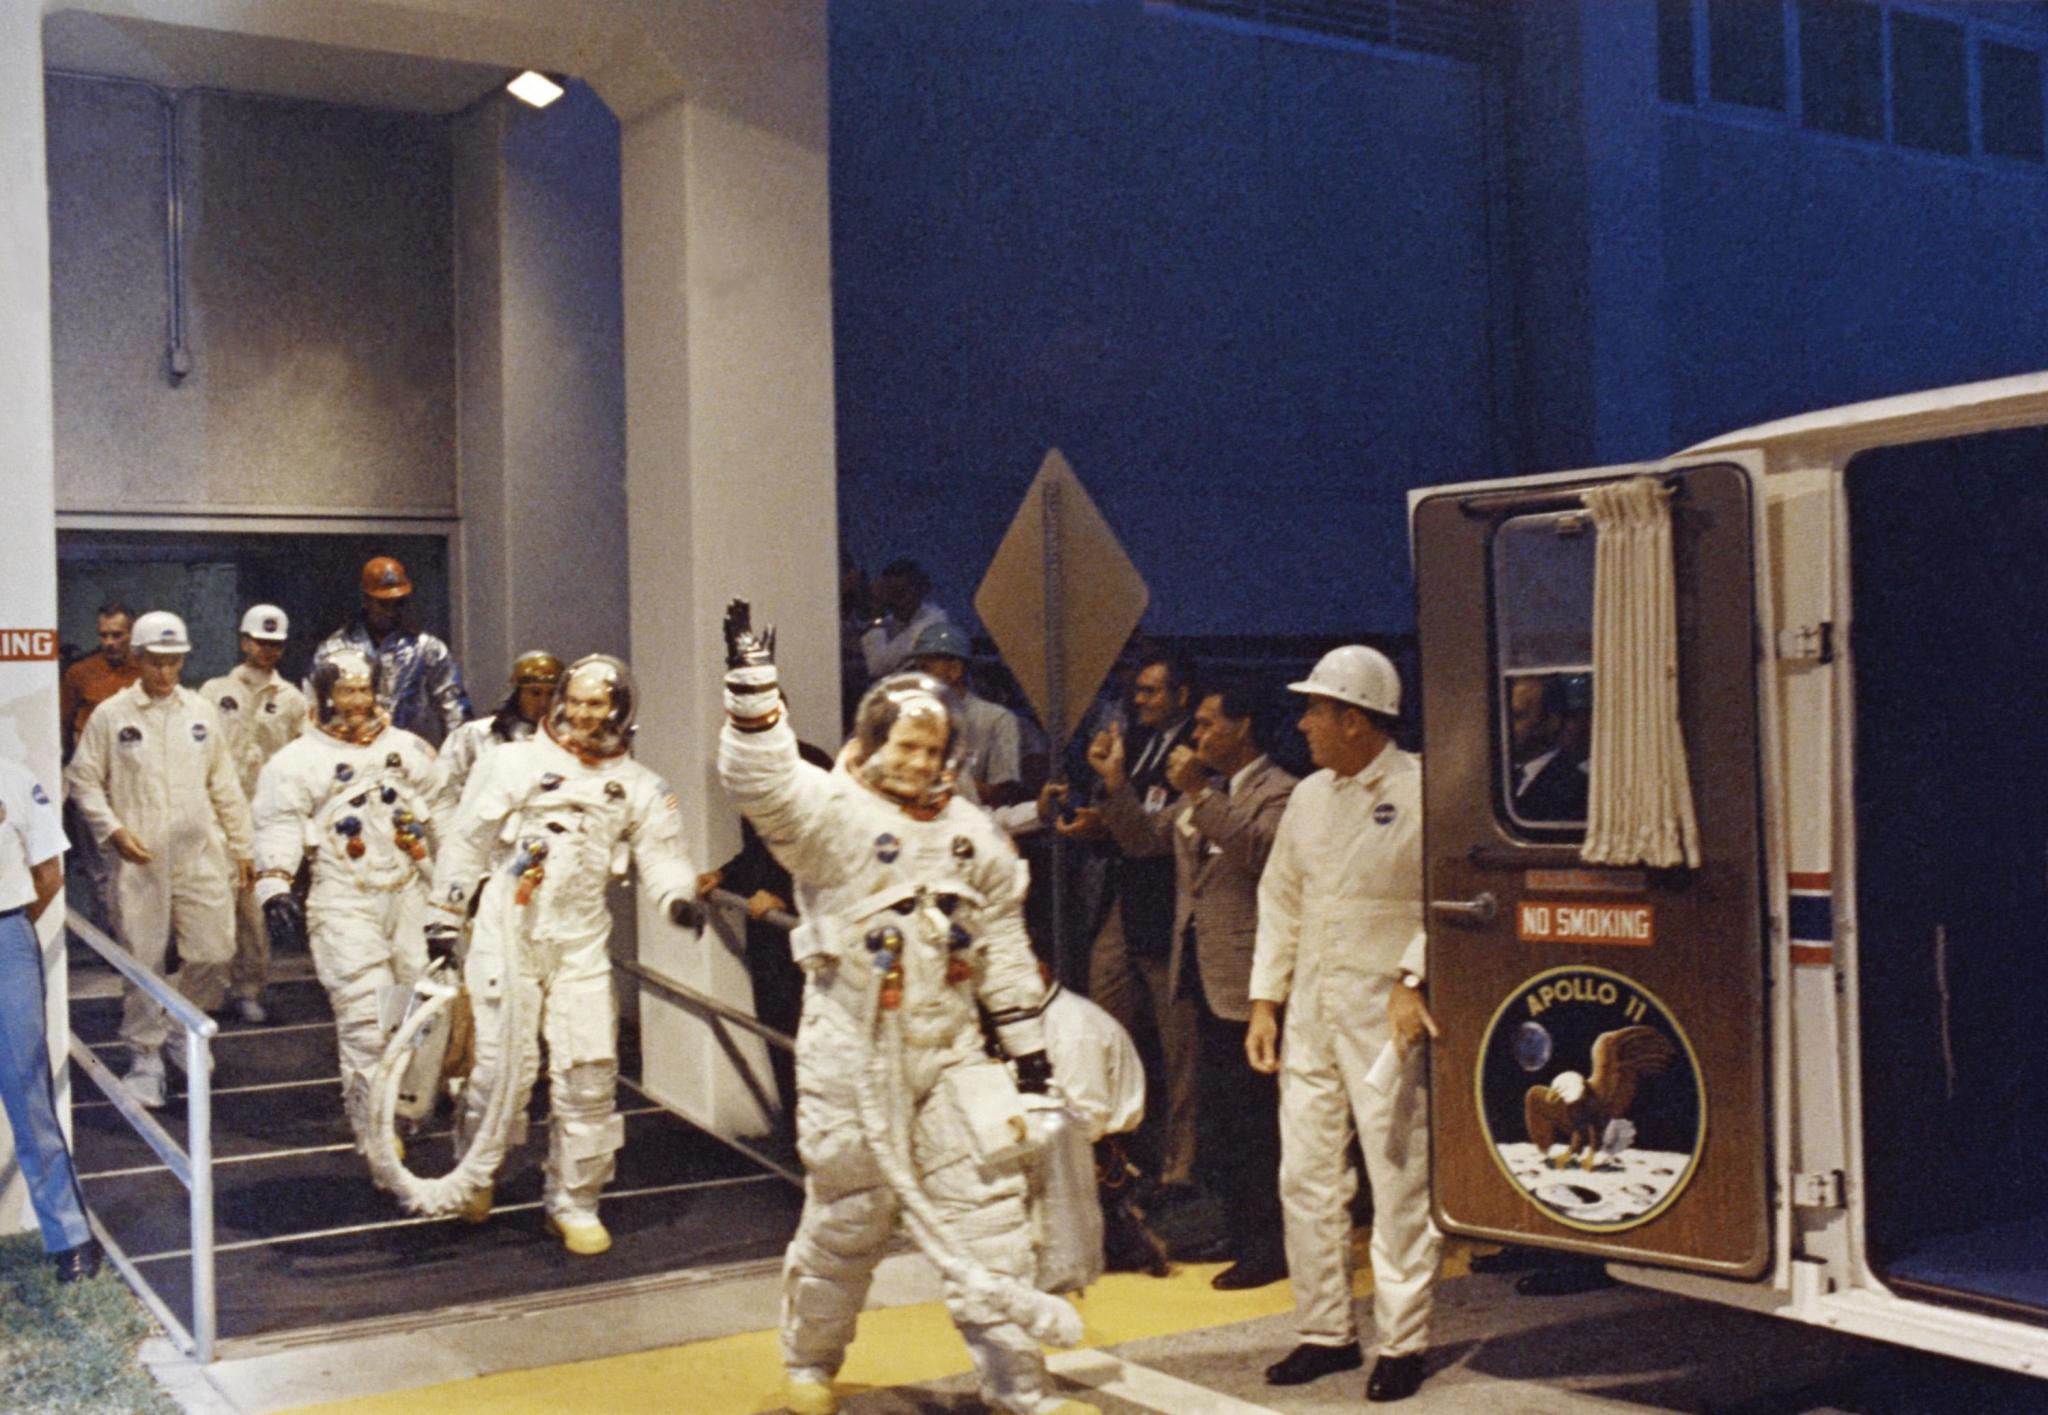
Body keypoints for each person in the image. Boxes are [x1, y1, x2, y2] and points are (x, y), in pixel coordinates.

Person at [716, 600, 1093, 1415]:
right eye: (907, 744)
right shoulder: (834, 816)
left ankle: (1020, 1386)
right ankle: (810, 1360)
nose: (921, 762)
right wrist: (752, 693)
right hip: (852, 1045)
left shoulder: (975, 835)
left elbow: (997, 946)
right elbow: (763, 784)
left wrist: (1029, 1055)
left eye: (934, 748)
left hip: (951, 1049)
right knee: (850, 1218)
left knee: (989, 1215)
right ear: (874, 741)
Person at [427, 654, 704, 1256]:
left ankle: (574, 1202)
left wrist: (678, 901)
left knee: (588, 1073)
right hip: (508, 931)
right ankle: (476, 1175)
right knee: (501, 1067)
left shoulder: (639, 785)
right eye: (574, 701)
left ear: (620, 710)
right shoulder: (512, 761)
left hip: (579, 940)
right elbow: (467, 840)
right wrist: (444, 917)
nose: (582, 713)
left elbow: (663, 857)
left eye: (596, 704)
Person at [1248, 645, 1440, 1404]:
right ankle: (1325, 1331)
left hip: (1384, 1017)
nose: (1302, 723)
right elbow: (1281, 900)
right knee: (1307, 1175)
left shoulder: (1424, 790)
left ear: (1354, 718)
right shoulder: (1309, 799)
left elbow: (1444, 898)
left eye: (1315, 709)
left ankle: (1403, 1339)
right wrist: (1267, 999)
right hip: (1313, 1014)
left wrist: (1413, 976)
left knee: (1398, 1179)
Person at [250, 647, 441, 1151]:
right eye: (345, 690)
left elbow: (444, 815)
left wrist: (458, 886)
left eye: (363, 689)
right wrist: (274, 884)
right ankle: (372, 1131)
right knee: (364, 1021)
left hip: (408, 895)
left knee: (410, 1012)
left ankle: (402, 1105)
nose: (356, 701)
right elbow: (278, 824)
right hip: (343, 900)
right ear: (324, 693)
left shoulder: (411, 750)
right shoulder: (297, 762)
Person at [65, 611, 255, 1110]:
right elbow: (83, 779)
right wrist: (113, 831)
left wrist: (243, 848)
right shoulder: (113, 715)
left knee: (215, 951)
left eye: (174, 663)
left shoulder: (200, 712)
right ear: (139, 659)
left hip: (199, 853)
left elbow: (224, 784)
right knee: (143, 958)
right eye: (156, 663)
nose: (166, 673)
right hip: (142, 857)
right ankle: (145, 1055)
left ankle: (180, 1025)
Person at [1160, 684, 1296, 1289]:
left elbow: (1263, 853)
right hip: (1201, 966)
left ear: (1243, 727)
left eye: (1210, 725)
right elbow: (1145, 835)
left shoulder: (1281, 791)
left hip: (1251, 976)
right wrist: (1111, 792)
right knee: (1220, 1114)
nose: (1198, 737)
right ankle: (1237, 1227)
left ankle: (1270, 1244)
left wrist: (1196, 792)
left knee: (1255, 1118)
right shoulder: (1209, 795)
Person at [1049, 650, 1198, 1193]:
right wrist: (1098, 817)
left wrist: (1114, 792)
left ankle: (1179, 1171)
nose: (1138, 700)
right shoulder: (1136, 743)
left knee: (1179, 1052)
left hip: (1170, 907)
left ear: (1181, 695)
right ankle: (1110, 1153)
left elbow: (1156, 835)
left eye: (1151, 691)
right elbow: (1131, 824)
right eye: (1136, 691)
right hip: (1125, 900)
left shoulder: (1192, 756)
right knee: (1104, 1027)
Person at [695, 734, 836, 1117]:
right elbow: (761, 848)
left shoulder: (812, 766)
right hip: (767, 930)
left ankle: (822, 1134)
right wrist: (724, 875)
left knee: (815, 1035)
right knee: (778, 1029)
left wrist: (786, 898)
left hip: (804, 924)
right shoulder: (746, 771)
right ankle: (797, 1137)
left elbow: (830, 846)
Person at [0, 753, 101, 1282]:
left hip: (4, 939)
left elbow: (48, 875)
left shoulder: (12, 779)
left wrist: (10, 930)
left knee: (26, 1089)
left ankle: (71, 1239)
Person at [198, 604, 307, 1024]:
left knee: (253, 910)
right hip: (218, 814)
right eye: (260, 642)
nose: (267, 651)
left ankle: (248, 987)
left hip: (265, 816)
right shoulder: (214, 692)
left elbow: (301, 757)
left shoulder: (293, 699)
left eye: (275, 644)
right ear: (244, 641)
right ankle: (208, 990)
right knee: (212, 903)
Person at [310, 555, 470, 746]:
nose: (391, 611)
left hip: (410, 754)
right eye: (384, 604)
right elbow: (316, 708)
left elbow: (453, 708)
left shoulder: (427, 648)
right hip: (349, 752)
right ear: (366, 600)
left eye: (399, 603)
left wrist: (455, 760)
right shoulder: (334, 648)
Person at [908, 621, 1026, 808]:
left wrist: (941, 779)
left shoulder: (997, 720)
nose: (918, 678)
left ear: (954, 670)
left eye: (925, 668)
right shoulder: (912, 722)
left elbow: (1002, 796)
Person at [437, 650, 563, 809]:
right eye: (535, 693)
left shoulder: (568, 741)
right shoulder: (475, 735)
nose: (543, 703)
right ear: (518, 694)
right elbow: (443, 790)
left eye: (551, 694)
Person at [59, 601, 139, 760]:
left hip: (133, 761)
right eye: (103, 635)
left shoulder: (145, 672)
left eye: (117, 635)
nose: (109, 642)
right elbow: (63, 724)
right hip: (89, 761)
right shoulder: (79, 672)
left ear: (132, 634)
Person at [1508, 673, 1591, 824]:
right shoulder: (1495, 776)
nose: (1504, 724)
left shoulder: (1577, 790)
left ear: (1551, 722)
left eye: (1517, 716)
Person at [857, 558, 950, 681]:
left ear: (921, 590)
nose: (898, 601)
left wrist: (876, 613)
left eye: (901, 592)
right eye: (892, 593)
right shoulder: (896, 619)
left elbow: (877, 667)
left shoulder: (932, 624)